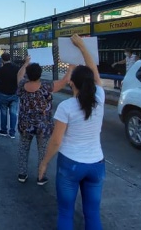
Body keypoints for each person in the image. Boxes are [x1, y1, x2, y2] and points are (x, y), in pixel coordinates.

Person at [38, 34, 105, 230]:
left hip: (70, 164)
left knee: (66, 212)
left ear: (71, 83)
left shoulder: (66, 107)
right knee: (92, 213)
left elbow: (56, 141)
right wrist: (83, 47)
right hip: (96, 164)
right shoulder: (100, 97)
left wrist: (44, 163)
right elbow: (94, 70)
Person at [16, 56, 72, 184]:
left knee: (23, 149)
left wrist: (26, 63)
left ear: (28, 74)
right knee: (43, 151)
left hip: (25, 125)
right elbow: (65, 81)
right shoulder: (46, 86)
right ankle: (41, 176)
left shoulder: (22, 85)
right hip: (43, 126)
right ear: (40, 74)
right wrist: (70, 68)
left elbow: (19, 74)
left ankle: (22, 174)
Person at [0, 53, 20, 138]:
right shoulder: (16, 68)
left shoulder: (0, 69)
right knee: (13, 113)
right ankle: (12, 132)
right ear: (10, 58)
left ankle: (3, 130)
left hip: (3, 93)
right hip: (14, 94)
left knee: (3, 113)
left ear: (2, 59)